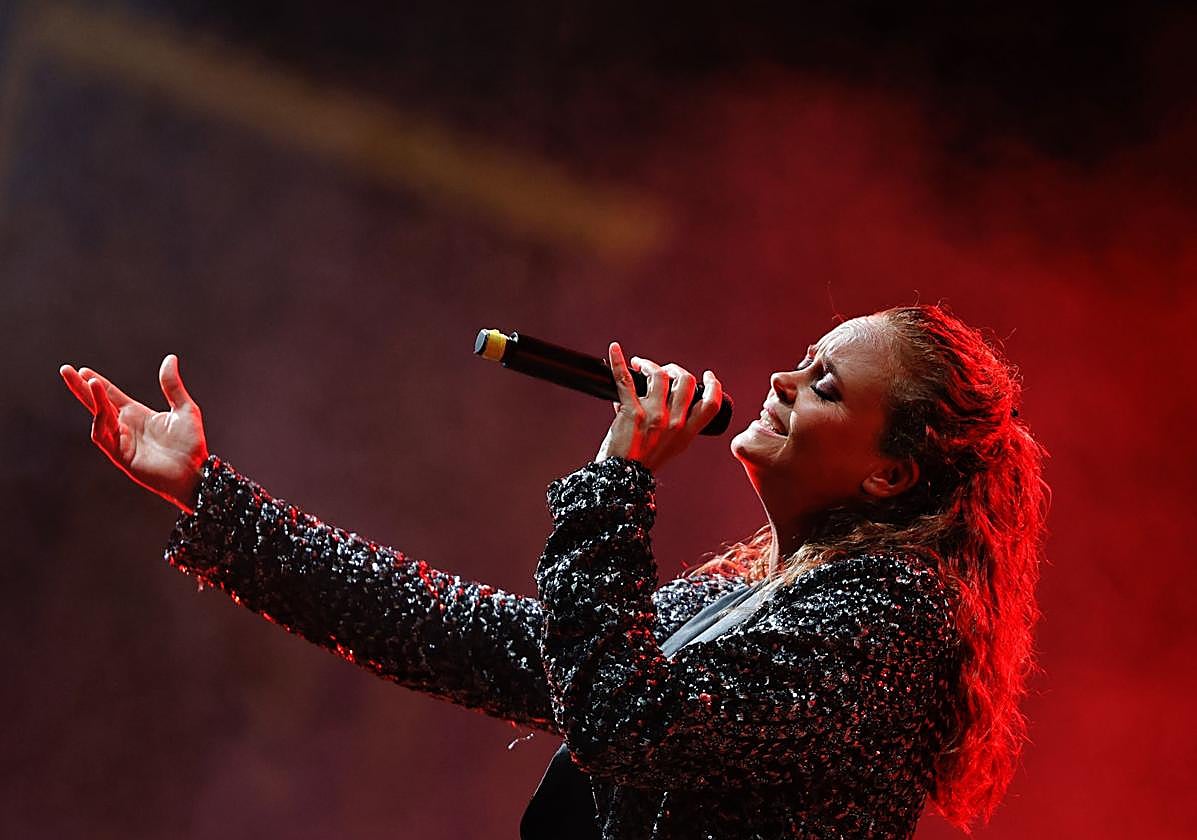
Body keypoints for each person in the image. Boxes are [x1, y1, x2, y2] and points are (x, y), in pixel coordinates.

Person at [59, 304, 1048, 839]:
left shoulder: (889, 625)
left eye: (825, 384)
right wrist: (208, 494)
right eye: (801, 359)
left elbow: (626, 721)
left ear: (891, 471)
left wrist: (620, 481)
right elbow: (463, 635)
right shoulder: (749, 598)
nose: (784, 381)